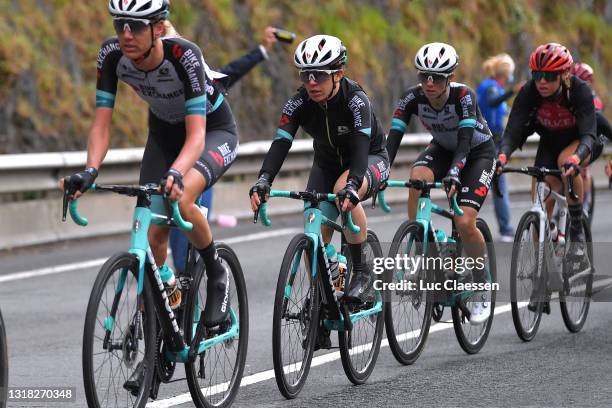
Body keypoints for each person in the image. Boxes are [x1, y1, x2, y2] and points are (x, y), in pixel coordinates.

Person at [60, 0, 235, 329]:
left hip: (212, 131)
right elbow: (101, 124)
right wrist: (90, 170)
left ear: (157, 28)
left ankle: (216, 272)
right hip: (163, 135)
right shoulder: (111, 56)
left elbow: (196, 136)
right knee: (152, 233)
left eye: (137, 26)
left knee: (180, 200)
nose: (126, 34)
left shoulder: (184, 55)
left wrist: (176, 172)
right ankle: (161, 318)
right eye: (119, 25)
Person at [249, 34, 389, 308]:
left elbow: (361, 148)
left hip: (369, 159)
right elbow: (280, 143)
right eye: (305, 75)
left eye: (320, 75)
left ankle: (362, 272)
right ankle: (322, 300)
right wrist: (264, 180)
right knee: (314, 226)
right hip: (326, 164)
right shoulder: (298, 103)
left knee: (342, 190)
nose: (312, 82)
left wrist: (354, 183)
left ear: (339, 74)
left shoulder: (356, 100)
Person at [386, 42, 496, 324]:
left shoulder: (464, 96)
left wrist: (456, 171)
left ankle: (482, 284)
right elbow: (392, 141)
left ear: (451, 77)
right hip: (444, 150)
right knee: (416, 178)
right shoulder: (411, 98)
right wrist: (380, 172)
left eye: (436, 77)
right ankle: (420, 244)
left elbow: (464, 142)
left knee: (463, 221)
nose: (429, 83)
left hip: (476, 154)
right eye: (424, 76)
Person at [169, 26, 282, 275]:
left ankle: (209, 278)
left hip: (205, 155)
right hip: (178, 160)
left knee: (191, 222)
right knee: (175, 249)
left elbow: (233, 70)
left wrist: (261, 51)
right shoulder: (164, 88)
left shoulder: (203, 79)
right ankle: (178, 285)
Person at [497, 43, 597, 311]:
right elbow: (514, 128)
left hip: (581, 143)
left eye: (549, 76)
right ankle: (543, 279)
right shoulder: (531, 91)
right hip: (549, 144)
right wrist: (503, 156)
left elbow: (589, 132)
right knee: (540, 208)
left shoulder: (579, 90)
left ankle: (576, 227)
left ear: (564, 75)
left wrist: (578, 158)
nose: (541, 81)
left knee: (567, 162)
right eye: (536, 74)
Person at [476, 54, 524, 242]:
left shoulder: (493, 88)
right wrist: (513, 91)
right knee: (498, 187)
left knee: (496, 187)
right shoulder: (490, 88)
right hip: (488, 143)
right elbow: (492, 102)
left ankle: (505, 229)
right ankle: (505, 230)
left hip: (495, 142)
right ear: (506, 74)